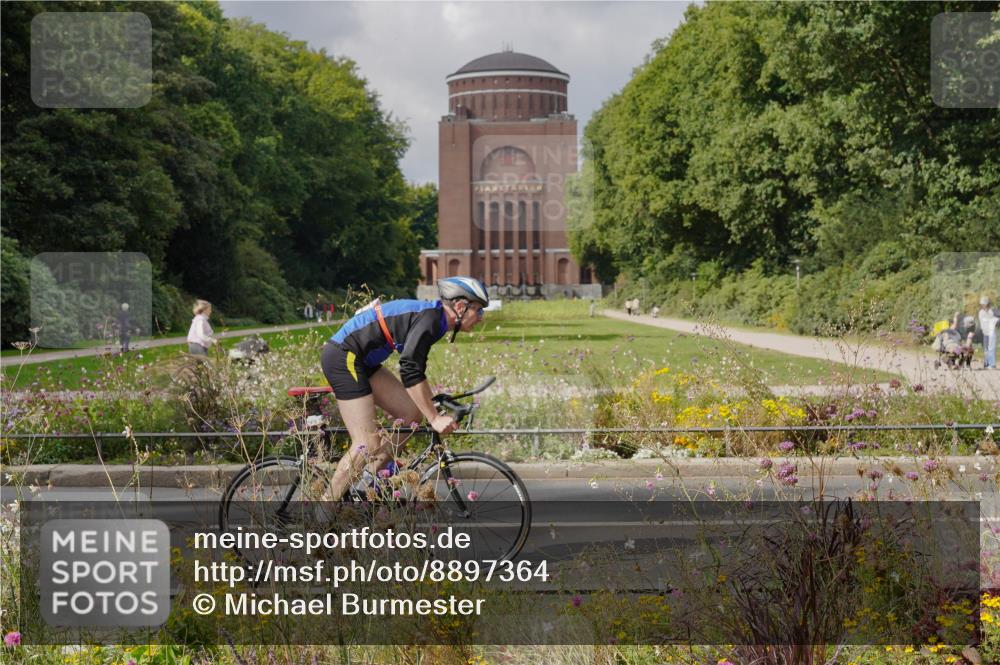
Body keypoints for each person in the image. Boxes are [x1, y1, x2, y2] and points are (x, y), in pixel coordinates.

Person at [319, 277, 489, 501]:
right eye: (478, 311)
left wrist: (429, 405)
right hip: (344, 357)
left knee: (411, 414)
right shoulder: (430, 319)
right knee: (366, 444)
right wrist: (435, 417)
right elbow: (409, 368)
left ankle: (368, 482)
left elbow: (415, 370)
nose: (480, 318)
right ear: (460, 307)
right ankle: (322, 512)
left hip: (363, 361)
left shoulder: (434, 320)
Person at [979, 295, 998, 369]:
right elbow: (983, 322)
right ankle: (986, 364)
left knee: (991, 348)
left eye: (984, 304)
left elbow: (995, 320)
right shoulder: (981, 312)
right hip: (985, 333)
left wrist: (989, 313)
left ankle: (992, 364)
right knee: (986, 349)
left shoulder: (992, 311)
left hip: (991, 333)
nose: (982, 305)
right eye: (982, 304)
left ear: (987, 304)